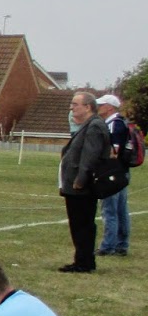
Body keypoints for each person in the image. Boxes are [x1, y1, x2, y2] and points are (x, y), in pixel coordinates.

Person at [58, 91, 110, 273]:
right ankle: (81, 259)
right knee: (78, 223)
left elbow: (90, 156)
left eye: (75, 104)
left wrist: (80, 180)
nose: (71, 108)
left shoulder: (94, 126)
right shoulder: (88, 125)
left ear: (87, 107)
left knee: (83, 224)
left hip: (82, 187)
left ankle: (84, 262)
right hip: (75, 185)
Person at [97, 94, 132, 257]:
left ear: (110, 107)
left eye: (101, 105)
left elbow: (114, 151)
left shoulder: (114, 125)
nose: (98, 108)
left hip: (113, 172)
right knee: (121, 209)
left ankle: (108, 245)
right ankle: (121, 244)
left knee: (110, 209)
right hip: (122, 171)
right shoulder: (121, 122)